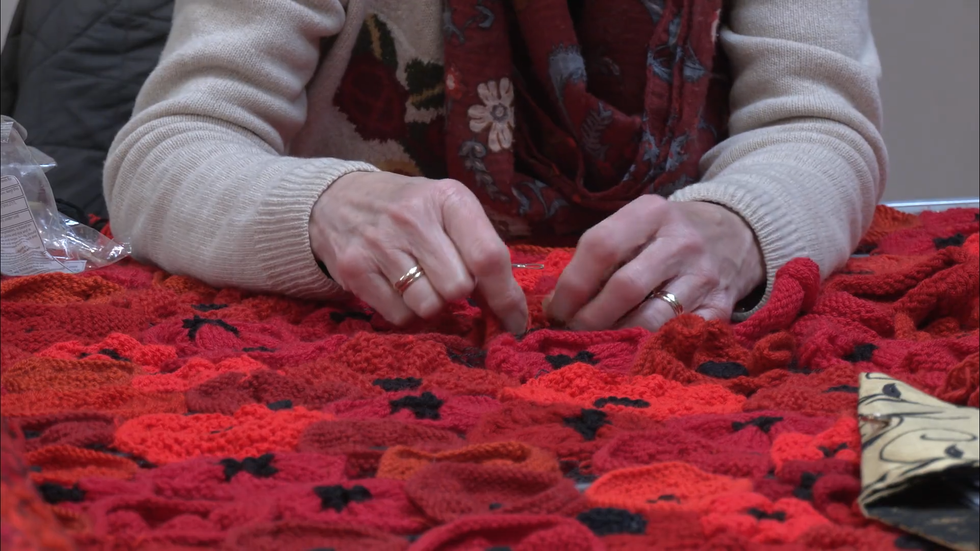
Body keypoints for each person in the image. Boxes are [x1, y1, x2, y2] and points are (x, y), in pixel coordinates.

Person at [104, 0, 886, 336]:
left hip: (694, 373)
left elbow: (819, 123)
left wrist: (738, 227)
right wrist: (323, 205)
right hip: (361, 372)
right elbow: (169, 147)